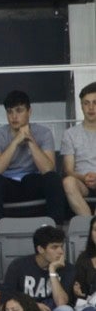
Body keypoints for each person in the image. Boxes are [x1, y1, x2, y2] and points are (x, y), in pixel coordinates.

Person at [0, 89, 68, 228]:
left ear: (29, 112)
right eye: (10, 112)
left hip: (32, 182)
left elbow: (48, 168)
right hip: (8, 184)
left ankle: (56, 231)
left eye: (19, 110)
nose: (14, 116)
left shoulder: (43, 133)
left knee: (53, 179)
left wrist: (30, 140)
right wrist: (15, 141)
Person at [1, 225, 77, 311]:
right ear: (40, 249)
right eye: (54, 247)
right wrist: (32, 307)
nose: (60, 252)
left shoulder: (67, 268)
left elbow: (61, 303)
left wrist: (52, 271)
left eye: (61, 246)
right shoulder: (19, 266)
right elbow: (6, 301)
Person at [62, 81, 96, 218]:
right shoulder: (70, 134)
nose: (91, 107)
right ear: (81, 106)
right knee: (68, 182)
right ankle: (90, 227)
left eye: (95, 102)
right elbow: (68, 170)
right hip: (82, 182)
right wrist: (84, 177)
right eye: (86, 103)